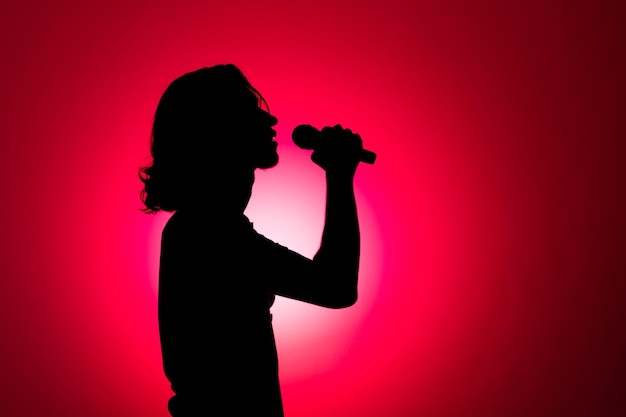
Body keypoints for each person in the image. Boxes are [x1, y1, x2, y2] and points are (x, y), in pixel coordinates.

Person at [138, 64, 364, 417]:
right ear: (217, 130)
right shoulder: (209, 235)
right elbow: (336, 287)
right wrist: (339, 174)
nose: (270, 122)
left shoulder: (205, 229)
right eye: (250, 110)